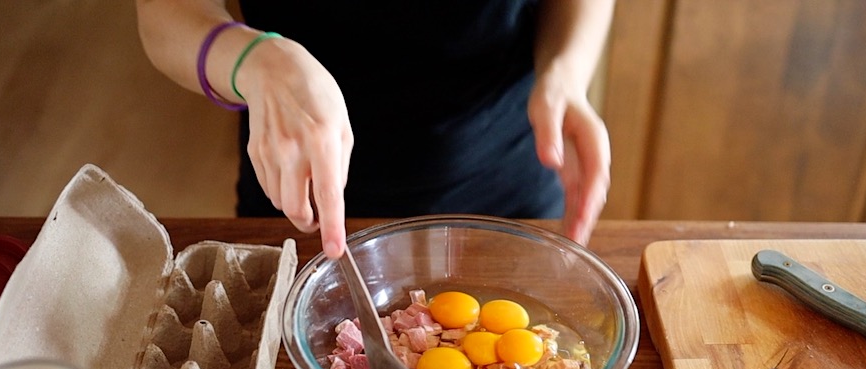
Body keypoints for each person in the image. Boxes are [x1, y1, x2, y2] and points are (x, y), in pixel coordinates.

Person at [136, 0, 614, 259]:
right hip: (301, 189)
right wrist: (254, 60)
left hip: (507, 180)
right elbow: (165, 16)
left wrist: (565, 72)